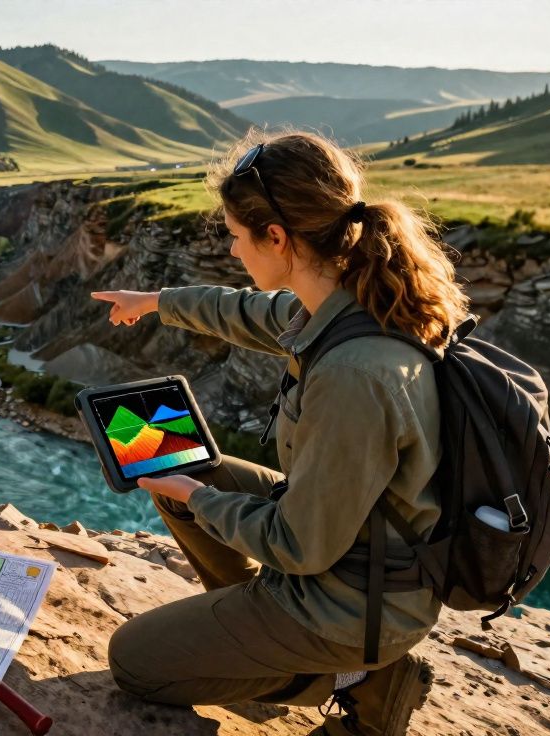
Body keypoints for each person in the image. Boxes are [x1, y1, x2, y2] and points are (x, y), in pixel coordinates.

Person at [90, 129, 469, 736]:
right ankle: (253, 628)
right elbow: (238, 311)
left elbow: (301, 547)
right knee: (185, 468)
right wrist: (153, 300)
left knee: (134, 662)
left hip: (354, 604)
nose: (235, 252)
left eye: (239, 238)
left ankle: (365, 680)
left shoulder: (354, 377)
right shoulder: (340, 303)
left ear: (277, 237)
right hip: (358, 550)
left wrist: (197, 498)